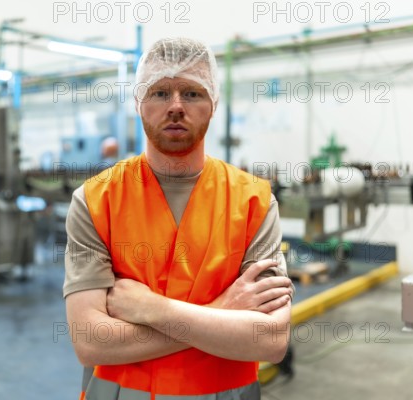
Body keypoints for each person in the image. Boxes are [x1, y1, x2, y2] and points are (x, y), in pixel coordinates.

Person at [63, 37, 293, 400]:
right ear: (139, 102)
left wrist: (153, 309)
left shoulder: (255, 202)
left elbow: (270, 340)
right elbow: (91, 342)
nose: (175, 106)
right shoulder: (96, 201)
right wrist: (221, 311)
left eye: (192, 93)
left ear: (213, 103)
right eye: (159, 93)